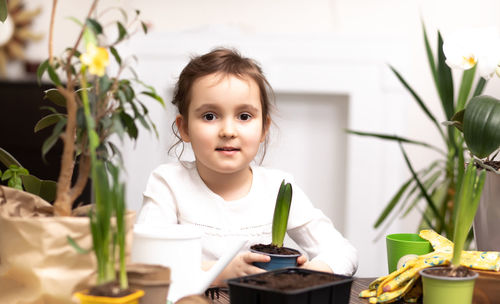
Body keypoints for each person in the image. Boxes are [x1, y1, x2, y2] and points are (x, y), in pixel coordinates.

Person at [136, 48, 358, 285]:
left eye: (244, 116)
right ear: (185, 128)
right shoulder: (169, 183)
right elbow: (147, 266)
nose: (228, 131)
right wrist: (221, 273)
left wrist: (309, 274)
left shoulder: (277, 188)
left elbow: (344, 252)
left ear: (264, 128)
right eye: (210, 116)